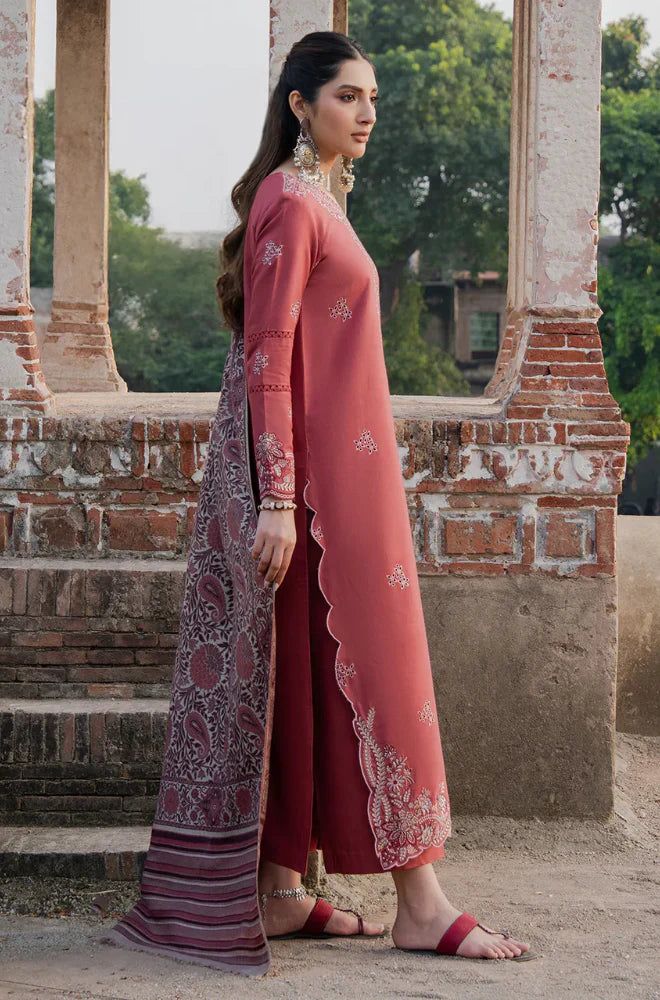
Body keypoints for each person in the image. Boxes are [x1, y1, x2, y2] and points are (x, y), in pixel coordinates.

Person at [105, 30, 533, 976]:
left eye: (373, 96)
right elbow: (266, 354)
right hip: (310, 490)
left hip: (343, 477)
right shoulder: (291, 203)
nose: (367, 113)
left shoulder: (313, 198)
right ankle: (422, 904)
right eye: (347, 96)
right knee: (381, 667)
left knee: (304, 676)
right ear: (300, 105)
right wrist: (274, 500)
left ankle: (278, 890)